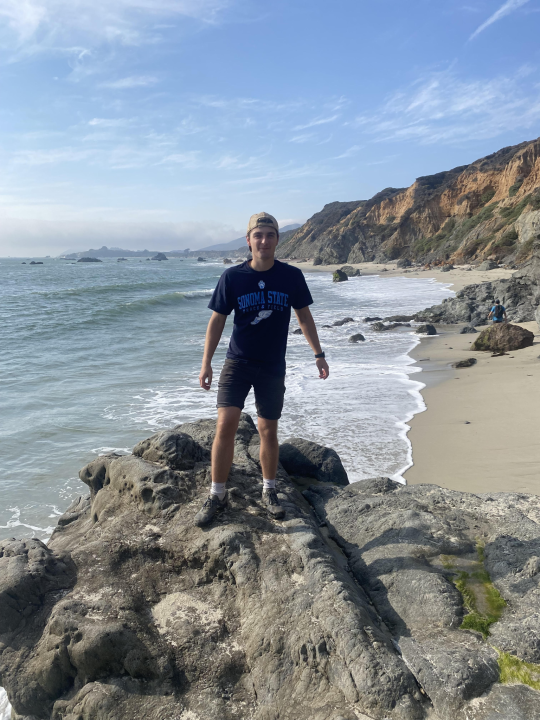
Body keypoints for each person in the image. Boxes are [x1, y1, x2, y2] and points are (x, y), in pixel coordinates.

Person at [194, 211, 329, 526]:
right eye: (258, 235)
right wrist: (206, 363)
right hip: (237, 363)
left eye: (270, 235)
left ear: (277, 240)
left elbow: (304, 317)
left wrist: (318, 354)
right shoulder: (232, 277)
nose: (264, 241)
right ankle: (217, 494)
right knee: (225, 426)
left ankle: (270, 491)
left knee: (268, 430)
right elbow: (217, 321)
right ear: (249, 240)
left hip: (271, 366)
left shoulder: (292, 276)